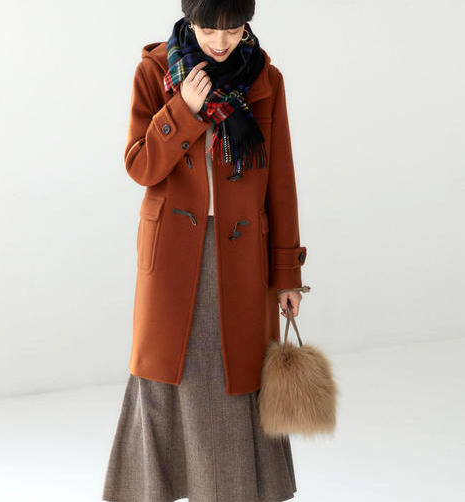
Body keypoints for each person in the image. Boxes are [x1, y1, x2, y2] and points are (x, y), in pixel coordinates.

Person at [102, 1, 308, 500]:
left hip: (242, 253)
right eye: (208, 29)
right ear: (189, 21)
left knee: (236, 371)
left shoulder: (265, 79)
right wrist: (184, 110)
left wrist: (287, 274)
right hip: (172, 253)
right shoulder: (156, 72)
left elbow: (280, 181)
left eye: (233, 30)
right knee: (165, 369)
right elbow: (140, 167)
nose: (220, 42)